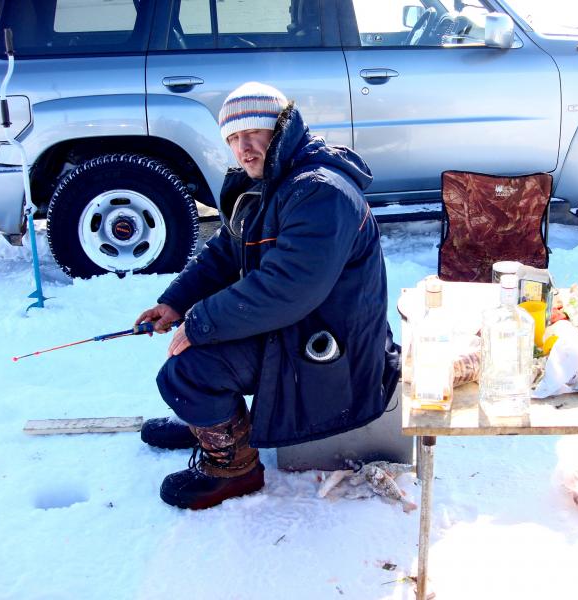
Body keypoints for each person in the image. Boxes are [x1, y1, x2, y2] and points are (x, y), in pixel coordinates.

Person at [136, 82, 398, 510]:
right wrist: (176, 303)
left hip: (333, 348)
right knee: (193, 364)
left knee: (186, 371)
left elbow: (287, 287)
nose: (243, 148)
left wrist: (201, 323)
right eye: (233, 139)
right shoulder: (272, 183)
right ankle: (215, 423)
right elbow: (226, 251)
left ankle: (235, 468)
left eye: (252, 133)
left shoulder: (319, 191)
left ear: (281, 129)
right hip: (301, 326)